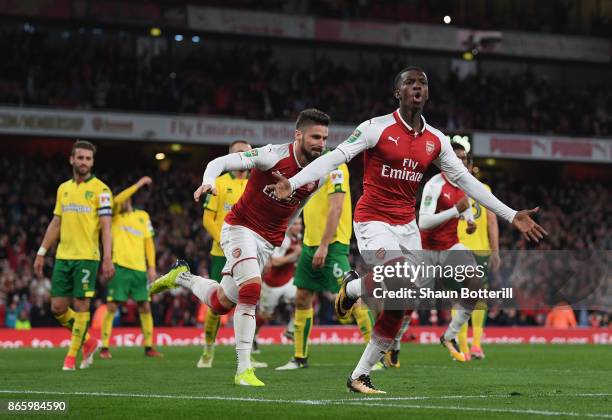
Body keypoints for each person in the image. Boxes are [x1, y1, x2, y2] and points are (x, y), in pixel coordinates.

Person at [271, 67, 547, 393]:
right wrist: (295, 181)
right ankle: (355, 290)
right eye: (409, 83)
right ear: (397, 93)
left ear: (427, 94)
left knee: (402, 303)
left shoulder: (436, 140)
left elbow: (467, 182)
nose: (417, 87)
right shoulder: (375, 128)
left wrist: (511, 214)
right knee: (399, 275)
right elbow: (335, 158)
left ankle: (359, 372)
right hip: (373, 220)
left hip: (407, 226)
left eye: (422, 83)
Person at [149, 108, 331, 387]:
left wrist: (281, 234)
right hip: (240, 228)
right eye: (315, 136)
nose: (321, 143)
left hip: (267, 241)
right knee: (251, 290)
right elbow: (219, 161)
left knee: (221, 303)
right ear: (298, 135)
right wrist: (208, 182)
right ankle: (244, 369)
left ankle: (181, 277)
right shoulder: (272, 155)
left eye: (324, 137)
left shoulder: (319, 174)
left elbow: (298, 206)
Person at [276, 155, 374, 370]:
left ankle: (376, 357)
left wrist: (324, 245)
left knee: (352, 297)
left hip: (332, 244)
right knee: (302, 298)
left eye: (321, 139)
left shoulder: (336, 165)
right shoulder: (307, 169)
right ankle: (299, 358)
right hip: (310, 243)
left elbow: (336, 208)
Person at [34, 140, 114, 370]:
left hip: (87, 257)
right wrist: (41, 252)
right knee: (57, 307)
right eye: (80, 158)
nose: (84, 162)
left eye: (88, 159)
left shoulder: (102, 190)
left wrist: (107, 257)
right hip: (63, 256)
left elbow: (106, 227)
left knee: (81, 305)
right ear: (72, 159)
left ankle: (71, 356)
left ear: (92, 162)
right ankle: (88, 342)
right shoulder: (63, 189)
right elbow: (56, 222)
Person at [418, 141, 479, 363]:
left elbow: (466, 214)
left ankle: (450, 335)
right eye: (457, 158)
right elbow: (423, 223)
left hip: (451, 246)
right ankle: (393, 346)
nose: (461, 162)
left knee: (475, 284)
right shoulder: (434, 185)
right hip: (426, 250)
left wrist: (470, 222)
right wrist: (455, 210)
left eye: (464, 158)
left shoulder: (466, 185)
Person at [197, 140, 253, 368]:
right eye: (239, 153)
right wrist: (224, 240)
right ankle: (208, 350)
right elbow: (207, 219)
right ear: (230, 157)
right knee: (216, 305)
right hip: (222, 252)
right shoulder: (218, 183)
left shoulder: (256, 185)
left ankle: (247, 355)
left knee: (248, 303)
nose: (244, 157)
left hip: (249, 253)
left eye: (248, 153)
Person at [100, 176, 163, 359]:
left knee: (145, 306)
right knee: (112, 306)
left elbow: (149, 243)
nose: (125, 199)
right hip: (120, 267)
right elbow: (117, 200)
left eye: (128, 196)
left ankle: (149, 347)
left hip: (139, 270)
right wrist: (138, 184)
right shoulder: (113, 218)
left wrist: (151, 267)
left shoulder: (142, 216)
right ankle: (104, 347)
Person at [456, 140, 501, 360]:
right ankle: (473, 345)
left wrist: (496, 251)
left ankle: (467, 346)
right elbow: (492, 222)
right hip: (470, 250)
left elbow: (492, 222)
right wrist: (496, 251)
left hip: (464, 250)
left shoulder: (450, 189)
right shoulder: (484, 189)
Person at [257, 218, 302, 344]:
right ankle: (253, 338)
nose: (298, 227)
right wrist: (294, 256)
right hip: (272, 284)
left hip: (288, 281)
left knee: (303, 299)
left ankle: (291, 330)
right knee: (265, 315)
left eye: (299, 224)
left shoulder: (297, 236)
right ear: (289, 226)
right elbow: (275, 262)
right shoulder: (283, 240)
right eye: (295, 224)